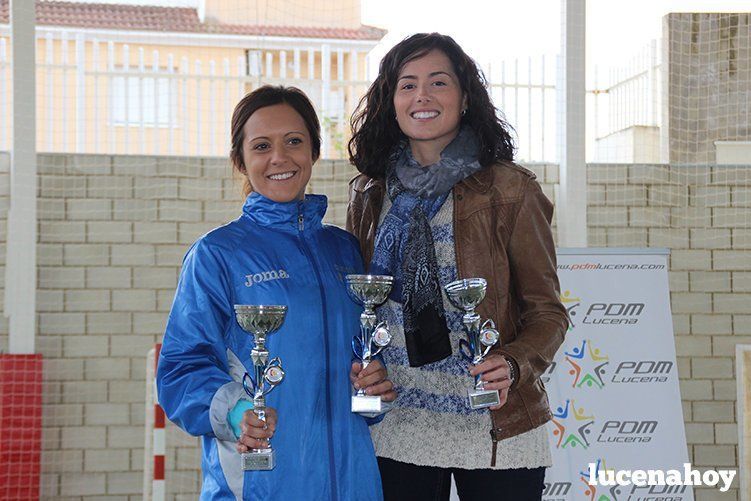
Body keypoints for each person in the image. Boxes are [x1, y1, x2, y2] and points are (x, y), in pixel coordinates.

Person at [346, 33, 569, 500]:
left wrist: (512, 362)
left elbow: (547, 313)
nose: (421, 96)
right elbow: (363, 308)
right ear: (391, 102)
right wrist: (362, 368)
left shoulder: (511, 190)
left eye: (438, 82)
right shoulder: (369, 194)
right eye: (406, 85)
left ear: (465, 98)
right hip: (398, 425)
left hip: (497, 428)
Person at [157, 85, 395, 500]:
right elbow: (181, 368)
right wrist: (236, 411)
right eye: (262, 145)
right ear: (241, 159)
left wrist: (373, 384)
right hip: (260, 485)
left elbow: (363, 354)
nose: (279, 158)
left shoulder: (345, 250)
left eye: (294, 142)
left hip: (353, 484)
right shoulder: (217, 254)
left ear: (314, 151)